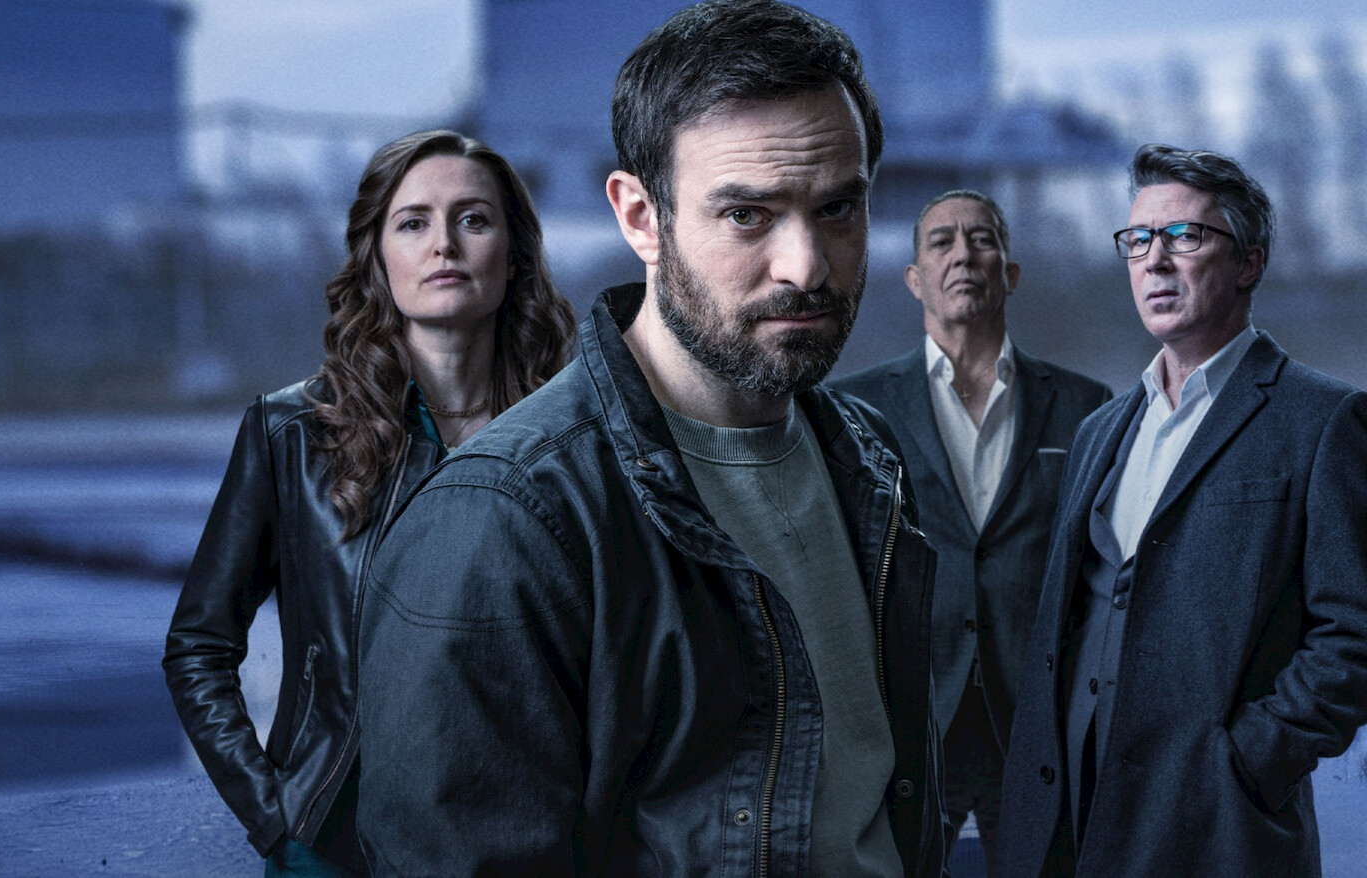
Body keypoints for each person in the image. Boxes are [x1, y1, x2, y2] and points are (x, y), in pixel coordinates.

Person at [356, 2, 945, 874]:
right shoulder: (501, 521)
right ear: (640, 217)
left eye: (837, 208)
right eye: (747, 216)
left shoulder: (870, 459)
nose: (807, 265)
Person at [162, 129, 576, 876]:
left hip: (533, 841)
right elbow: (199, 645)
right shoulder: (291, 433)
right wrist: (276, 817)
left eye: (473, 219)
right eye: (413, 222)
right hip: (336, 845)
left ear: (514, 253)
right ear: (378, 256)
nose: (444, 244)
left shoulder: (573, 437)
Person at [998, 144, 1367, 877]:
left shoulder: (1325, 420)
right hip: (1062, 814)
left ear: (1249, 263)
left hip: (1215, 823)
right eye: (1138, 240)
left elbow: (1354, 636)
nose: (1155, 261)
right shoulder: (1099, 430)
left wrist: (1249, 761)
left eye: (1184, 237)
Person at [830, 190, 1111, 871]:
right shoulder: (854, 407)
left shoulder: (1085, 406)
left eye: (982, 239)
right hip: (912, 717)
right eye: (942, 242)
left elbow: (1097, 574)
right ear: (914, 278)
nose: (963, 255)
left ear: (1009, 273)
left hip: (1037, 720)